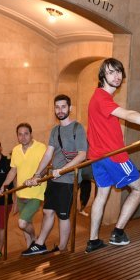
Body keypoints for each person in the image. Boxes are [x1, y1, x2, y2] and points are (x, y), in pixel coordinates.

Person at [85, 58, 140, 253]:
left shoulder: (96, 97)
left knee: (101, 195)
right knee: (139, 188)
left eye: (118, 72)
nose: (116, 76)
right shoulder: (102, 98)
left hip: (98, 157)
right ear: (102, 76)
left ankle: (93, 241)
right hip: (114, 156)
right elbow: (129, 114)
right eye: (110, 72)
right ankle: (117, 232)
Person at [22, 94, 87, 255]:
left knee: (63, 214)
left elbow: (82, 154)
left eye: (63, 107)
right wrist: (37, 175)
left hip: (68, 179)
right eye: (57, 107)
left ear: (70, 108)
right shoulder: (55, 130)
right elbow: (47, 154)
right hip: (53, 178)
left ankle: (63, 247)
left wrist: (64, 169)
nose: (60, 110)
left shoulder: (77, 128)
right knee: (47, 211)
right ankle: (40, 243)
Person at [0, 123, 47, 248]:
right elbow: (13, 171)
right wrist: (5, 184)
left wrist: (37, 177)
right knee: (27, 224)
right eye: (20, 134)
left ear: (31, 134)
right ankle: (29, 249)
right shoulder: (16, 150)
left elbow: (46, 168)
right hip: (21, 193)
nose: (23, 137)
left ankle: (34, 237)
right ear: (17, 136)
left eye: (26, 133)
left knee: (22, 223)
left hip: (36, 193)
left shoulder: (41, 147)